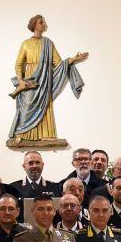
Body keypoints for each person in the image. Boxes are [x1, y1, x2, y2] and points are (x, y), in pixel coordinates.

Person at [8, 14, 87, 145]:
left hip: (44, 80)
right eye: (41, 22)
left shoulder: (48, 43)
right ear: (34, 25)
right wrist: (21, 80)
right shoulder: (26, 44)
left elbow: (58, 63)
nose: (44, 24)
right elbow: (18, 64)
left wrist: (73, 59)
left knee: (44, 105)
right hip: (30, 79)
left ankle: (46, 133)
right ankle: (21, 133)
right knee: (26, 105)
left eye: (44, 22)